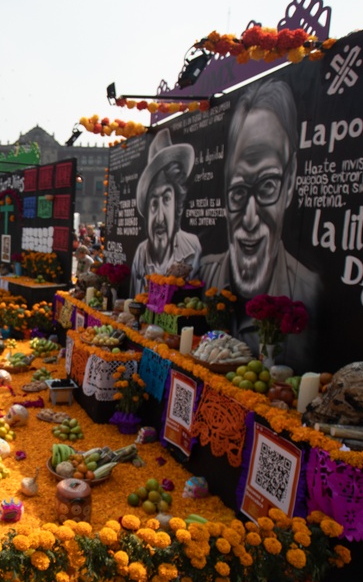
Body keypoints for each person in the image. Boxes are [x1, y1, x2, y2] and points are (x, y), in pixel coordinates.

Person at [199, 78, 320, 366]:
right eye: (239, 191)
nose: (251, 218)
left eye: (267, 186)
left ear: (289, 183)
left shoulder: (310, 292)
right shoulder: (204, 274)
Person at [129, 129, 199, 297]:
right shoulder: (141, 254)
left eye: (166, 199)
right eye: (153, 203)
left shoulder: (192, 248)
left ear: (177, 204)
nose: (159, 217)